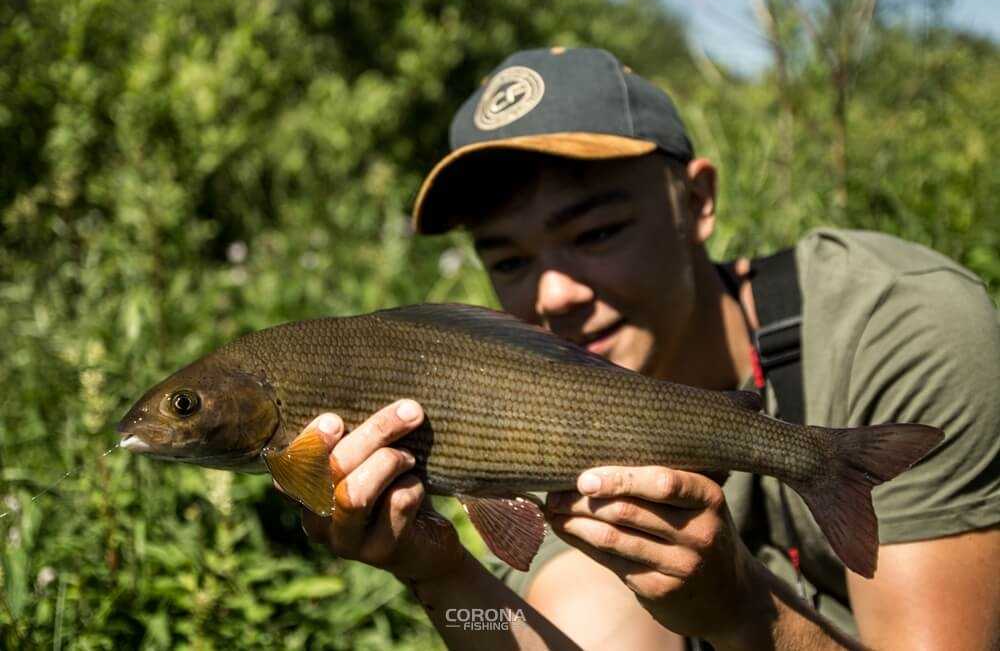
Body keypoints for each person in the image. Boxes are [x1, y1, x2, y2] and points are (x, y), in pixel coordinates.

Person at [294, 47, 1000, 649]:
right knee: (593, 606)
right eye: (509, 260)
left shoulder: (895, 325)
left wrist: (743, 611)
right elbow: (504, 620)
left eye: (597, 234)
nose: (554, 294)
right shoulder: (515, 425)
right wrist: (439, 573)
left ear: (697, 202)